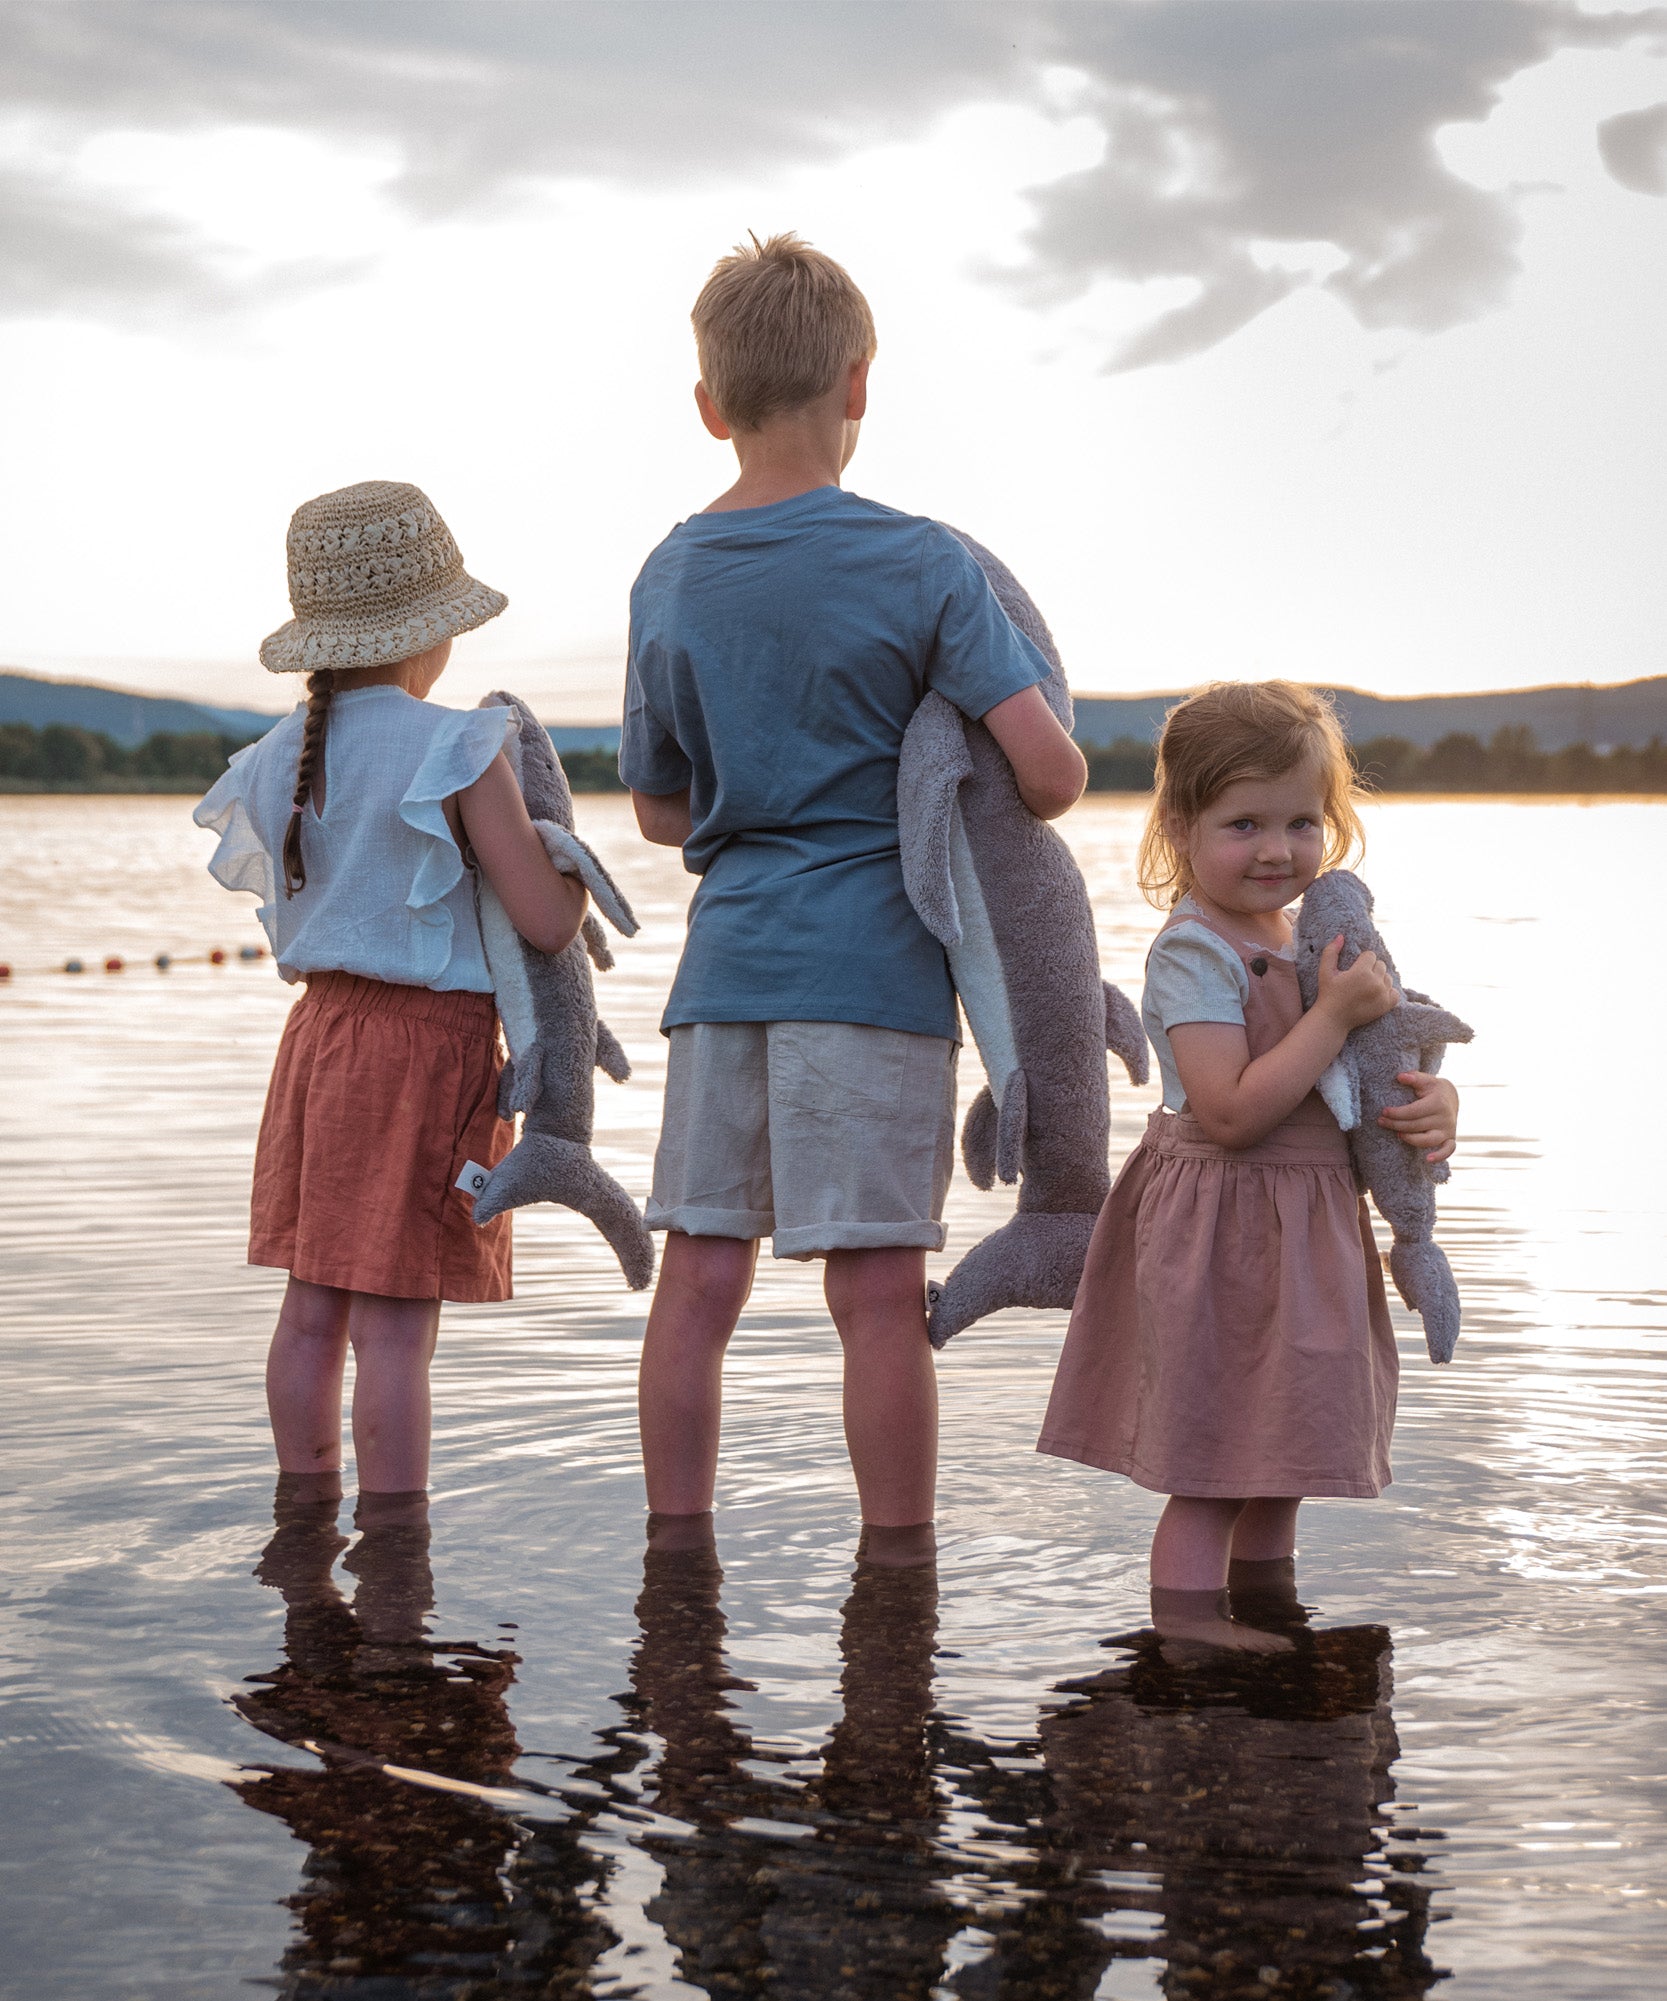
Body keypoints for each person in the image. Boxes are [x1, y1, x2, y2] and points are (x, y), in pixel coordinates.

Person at [622, 232, 1087, 1552]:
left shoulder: (668, 571)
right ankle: (897, 1573)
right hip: (876, 975)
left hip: (721, 976)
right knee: (877, 1293)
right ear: (858, 383)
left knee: (696, 1276)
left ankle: (674, 1558)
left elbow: (662, 808)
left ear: (709, 405)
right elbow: (1047, 777)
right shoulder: (923, 564)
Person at [1038, 681, 1460, 1649]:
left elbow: (1376, 1071)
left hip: (1309, 1226)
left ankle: (1267, 1613)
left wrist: (1433, 1107)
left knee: (1283, 1457)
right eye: (1242, 824)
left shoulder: (1320, 947)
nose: (1276, 849)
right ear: (1180, 826)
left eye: (1301, 822)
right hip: (1221, 1228)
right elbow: (1227, 1111)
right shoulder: (1193, 952)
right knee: (1212, 1461)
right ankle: (1186, 1633)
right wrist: (1329, 1015)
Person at [195, 481, 587, 1495]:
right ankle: (398, 1542)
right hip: (429, 1050)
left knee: (311, 1305)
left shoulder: (274, 756)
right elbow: (544, 921)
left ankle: (305, 1507)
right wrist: (573, 858)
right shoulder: (459, 745)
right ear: (431, 633)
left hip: (318, 1042)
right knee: (400, 1326)